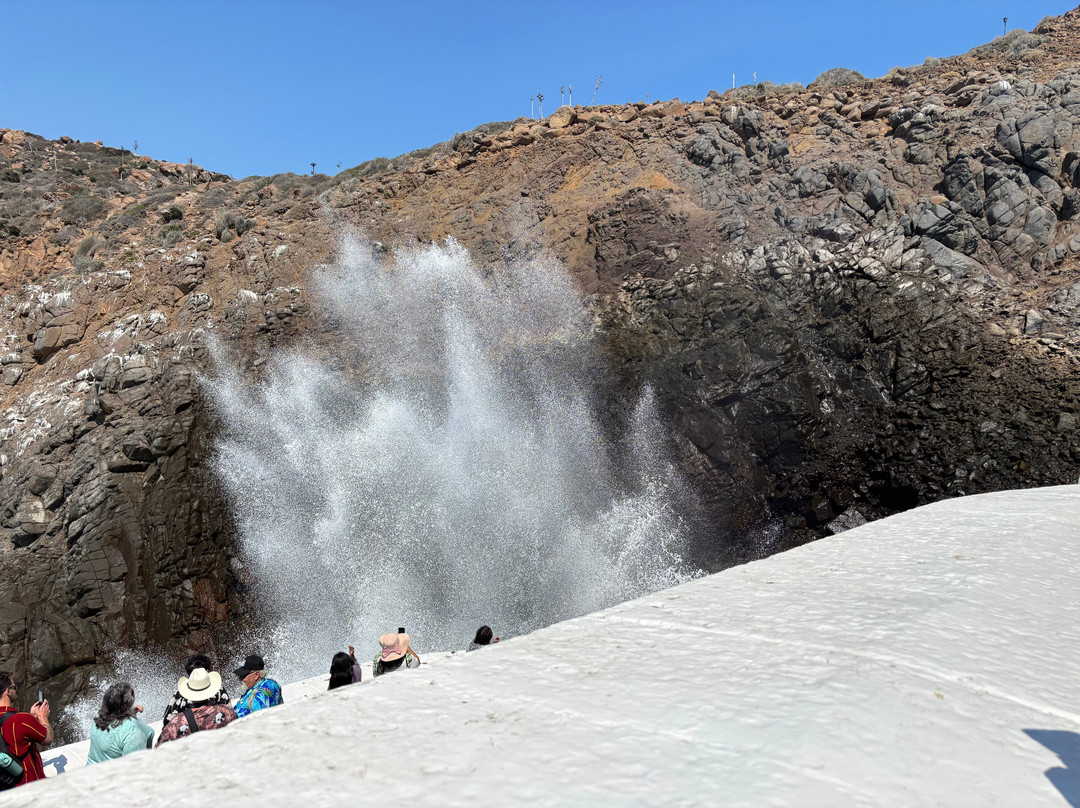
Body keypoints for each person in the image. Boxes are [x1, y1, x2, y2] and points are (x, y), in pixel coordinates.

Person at [156, 667, 237, 746]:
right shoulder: (227, 711)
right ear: (212, 690)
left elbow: (158, 752)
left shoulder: (176, 722)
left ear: (188, 693)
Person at [0, 671, 51, 788]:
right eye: (14, 687)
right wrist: (42, 717)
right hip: (30, 785)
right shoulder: (21, 720)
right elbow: (47, 739)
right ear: (8, 691)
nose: (15, 690)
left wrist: (31, 717)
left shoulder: (22, 720)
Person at [86, 683, 154, 764]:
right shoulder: (133, 734)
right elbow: (135, 769)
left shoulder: (98, 718)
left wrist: (130, 711)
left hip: (91, 771)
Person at [162, 654, 230, 726]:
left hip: (187, 733)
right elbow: (228, 712)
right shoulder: (218, 689)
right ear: (207, 671)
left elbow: (167, 720)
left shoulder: (180, 693)